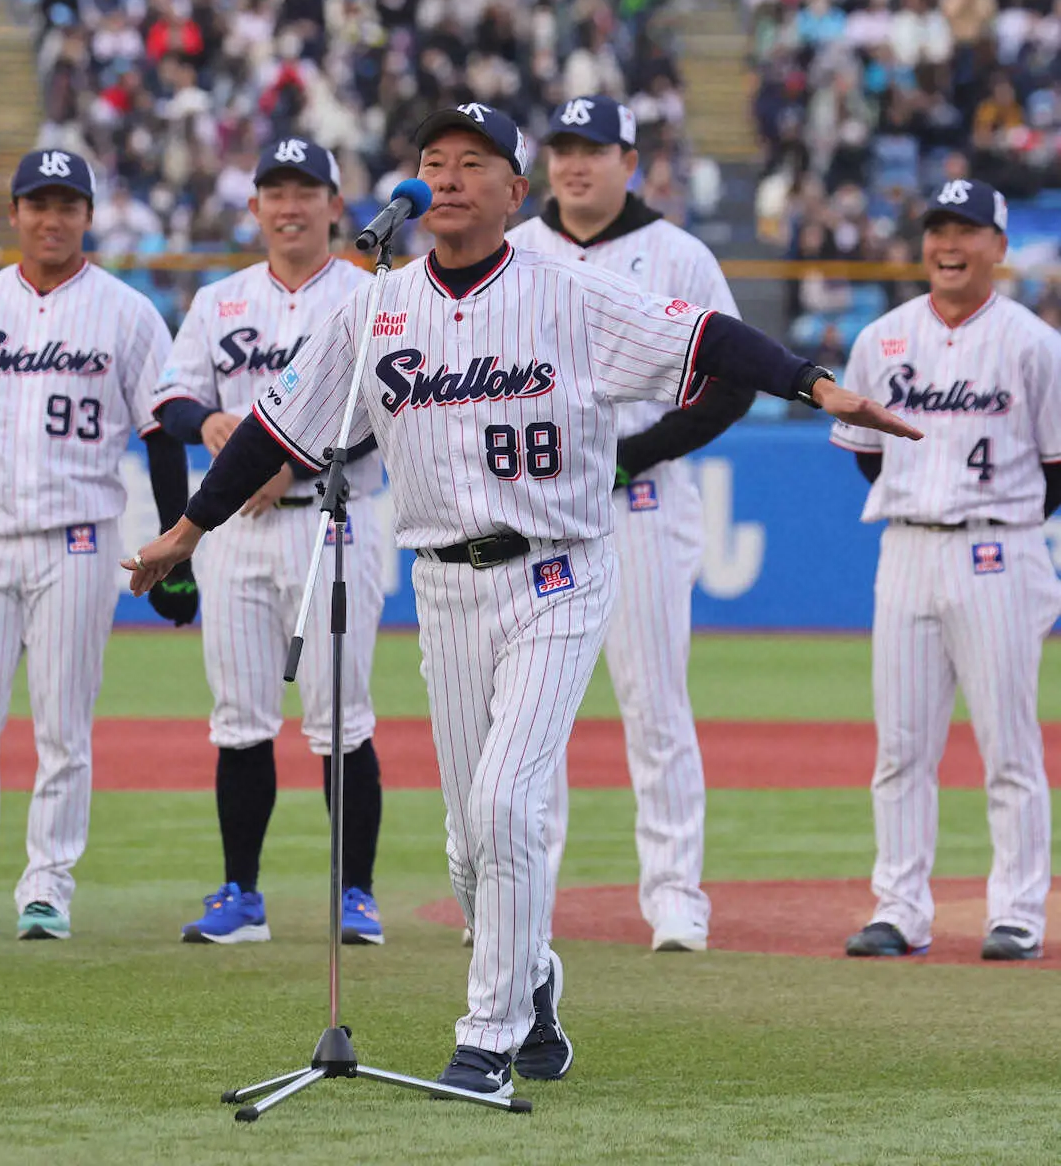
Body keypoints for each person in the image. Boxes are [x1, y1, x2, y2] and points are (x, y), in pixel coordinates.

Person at [122, 103, 920, 1096]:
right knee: (469, 841)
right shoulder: (374, 307)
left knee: (507, 802)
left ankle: (486, 1039)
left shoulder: (572, 291)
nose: (447, 179)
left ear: (513, 190)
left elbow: (707, 337)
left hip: (557, 570)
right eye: (431, 163)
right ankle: (533, 976)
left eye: (473, 163)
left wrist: (812, 383)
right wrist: (188, 531)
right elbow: (276, 433)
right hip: (444, 589)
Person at [506, 95, 755, 953]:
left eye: (595, 149)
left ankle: (676, 893)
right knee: (534, 715)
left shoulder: (678, 254)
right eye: (564, 147)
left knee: (653, 703)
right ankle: (522, 896)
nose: (576, 164)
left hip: (639, 504)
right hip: (537, 514)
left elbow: (733, 380)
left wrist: (637, 453)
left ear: (631, 162)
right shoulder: (515, 251)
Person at [152, 137, 387, 947]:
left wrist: (284, 464)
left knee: (339, 718)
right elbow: (172, 400)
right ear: (253, 208)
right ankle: (240, 895)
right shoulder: (219, 302)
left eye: (306, 191)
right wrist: (210, 421)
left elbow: (386, 406)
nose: (289, 206)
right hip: (235, 535)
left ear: (333, 206)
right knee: (240, 716)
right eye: (274, 192)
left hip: (334, 520)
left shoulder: (369, 293)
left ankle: (355, 895)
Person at [0, 149, 193, 941]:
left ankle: (47, 886)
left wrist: (174, 544)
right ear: (16, 214)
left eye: (67, 204)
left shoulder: (129, 313)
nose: (51, 218)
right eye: (37, 203)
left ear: (88, 215)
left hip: (80, 538)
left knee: (62, 723)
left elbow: (162, 435)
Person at [831, 178, 1061, 962]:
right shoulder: (883, 337)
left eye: (966, 231)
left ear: (999, 246)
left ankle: (1020, 912)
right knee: (900, 746)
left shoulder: (1034, 342)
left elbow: (1057, 467)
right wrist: (923, 504)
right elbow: (867, 460)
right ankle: (898, 907)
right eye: (937, 230)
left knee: (1009, 746)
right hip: (905, 548)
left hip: (999, 548)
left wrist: (998, 512)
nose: (948, 245)